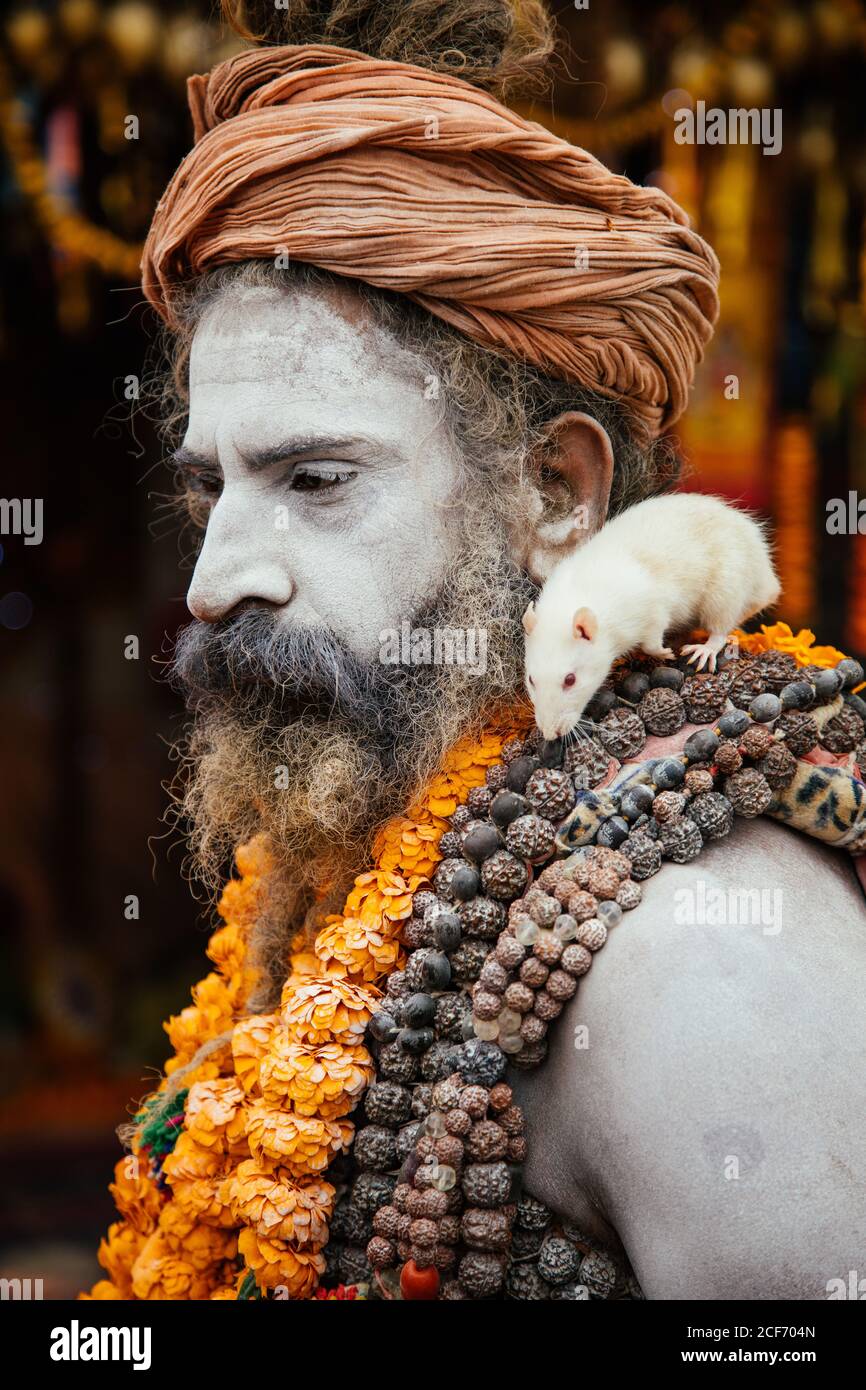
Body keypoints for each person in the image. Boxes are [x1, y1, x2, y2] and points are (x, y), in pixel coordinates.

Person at [87, 0, 866, 1301]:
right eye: (205, 491)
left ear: (554, 492)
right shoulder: (351, 866)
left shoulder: (700, 959)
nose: (219, 577)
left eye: (316, 478)